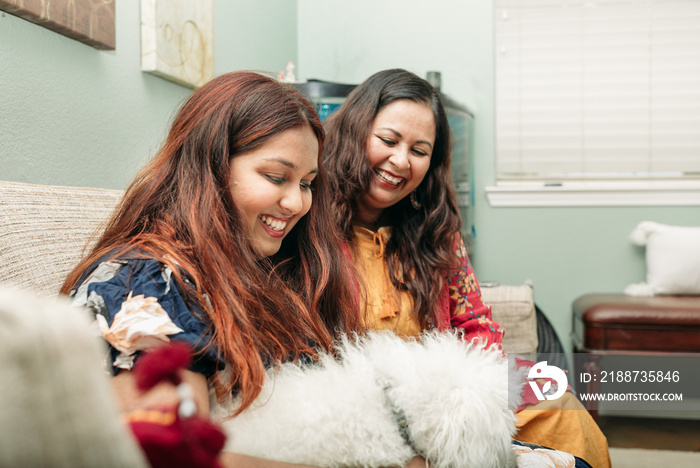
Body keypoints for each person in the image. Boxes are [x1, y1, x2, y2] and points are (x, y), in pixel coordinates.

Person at [60, 71, 366, 468]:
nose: (296, 203)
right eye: (276, 177)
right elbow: (174, 458)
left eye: (307, 183)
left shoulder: (268, 271)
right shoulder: (146, 284)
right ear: (209, 167)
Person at [321, 68, 611, 468]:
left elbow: (476, 324)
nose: (400, 161)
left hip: (448, 395)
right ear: (354, 132)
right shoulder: (307, 221)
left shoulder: (436, 230)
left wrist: (486, 397)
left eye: (419, 151)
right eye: (388, 140)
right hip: (363, 403)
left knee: (560, 402)